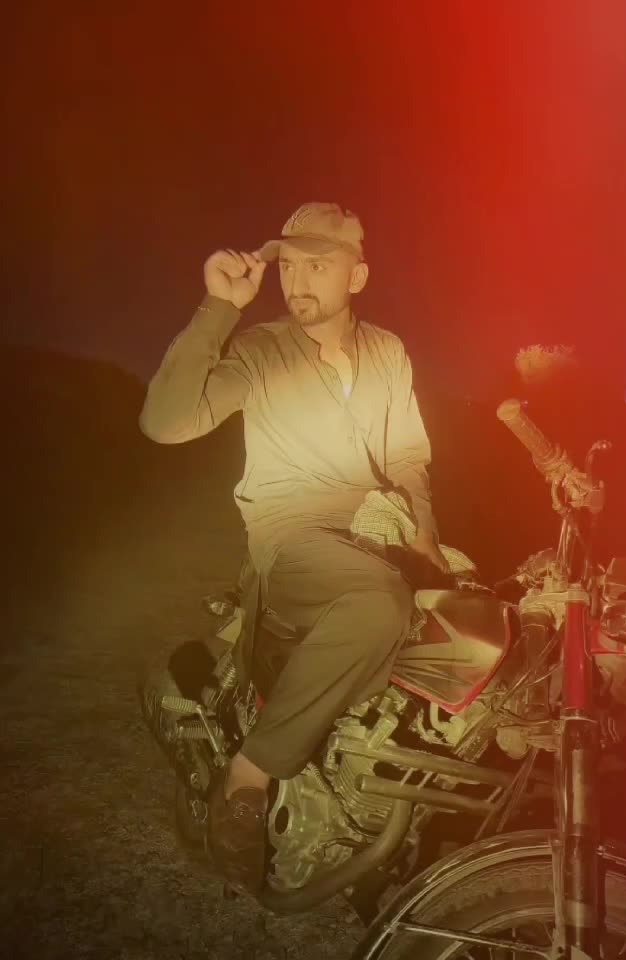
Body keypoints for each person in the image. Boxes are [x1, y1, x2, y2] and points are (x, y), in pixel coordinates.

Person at [139, 202, 446, 892]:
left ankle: (390, 803)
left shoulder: (387, 351)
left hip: (382, 529)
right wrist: (220, 309)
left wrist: (426, 537)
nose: (296, 281)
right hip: (295, 535)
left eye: (317, 265)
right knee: (377, 606)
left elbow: (406, 455)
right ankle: (249, 775)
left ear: (357, 276)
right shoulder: (260, 350)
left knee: (480, 633)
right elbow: (165, 422)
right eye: (289, 267)